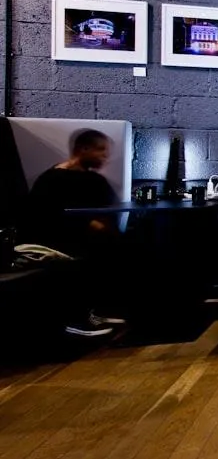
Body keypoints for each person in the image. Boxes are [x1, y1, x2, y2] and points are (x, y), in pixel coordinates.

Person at [25, 129, 129, 337]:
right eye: (101, 150)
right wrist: (92, 226)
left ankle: (95, 311)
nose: (105, 156)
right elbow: (45, 218)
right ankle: (76, 319)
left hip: (87, 239)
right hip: (57, 240)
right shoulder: (52, 180)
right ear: (84, 149)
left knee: (131, 244)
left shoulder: (94, 180)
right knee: (101, 252)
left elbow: (109, 212)